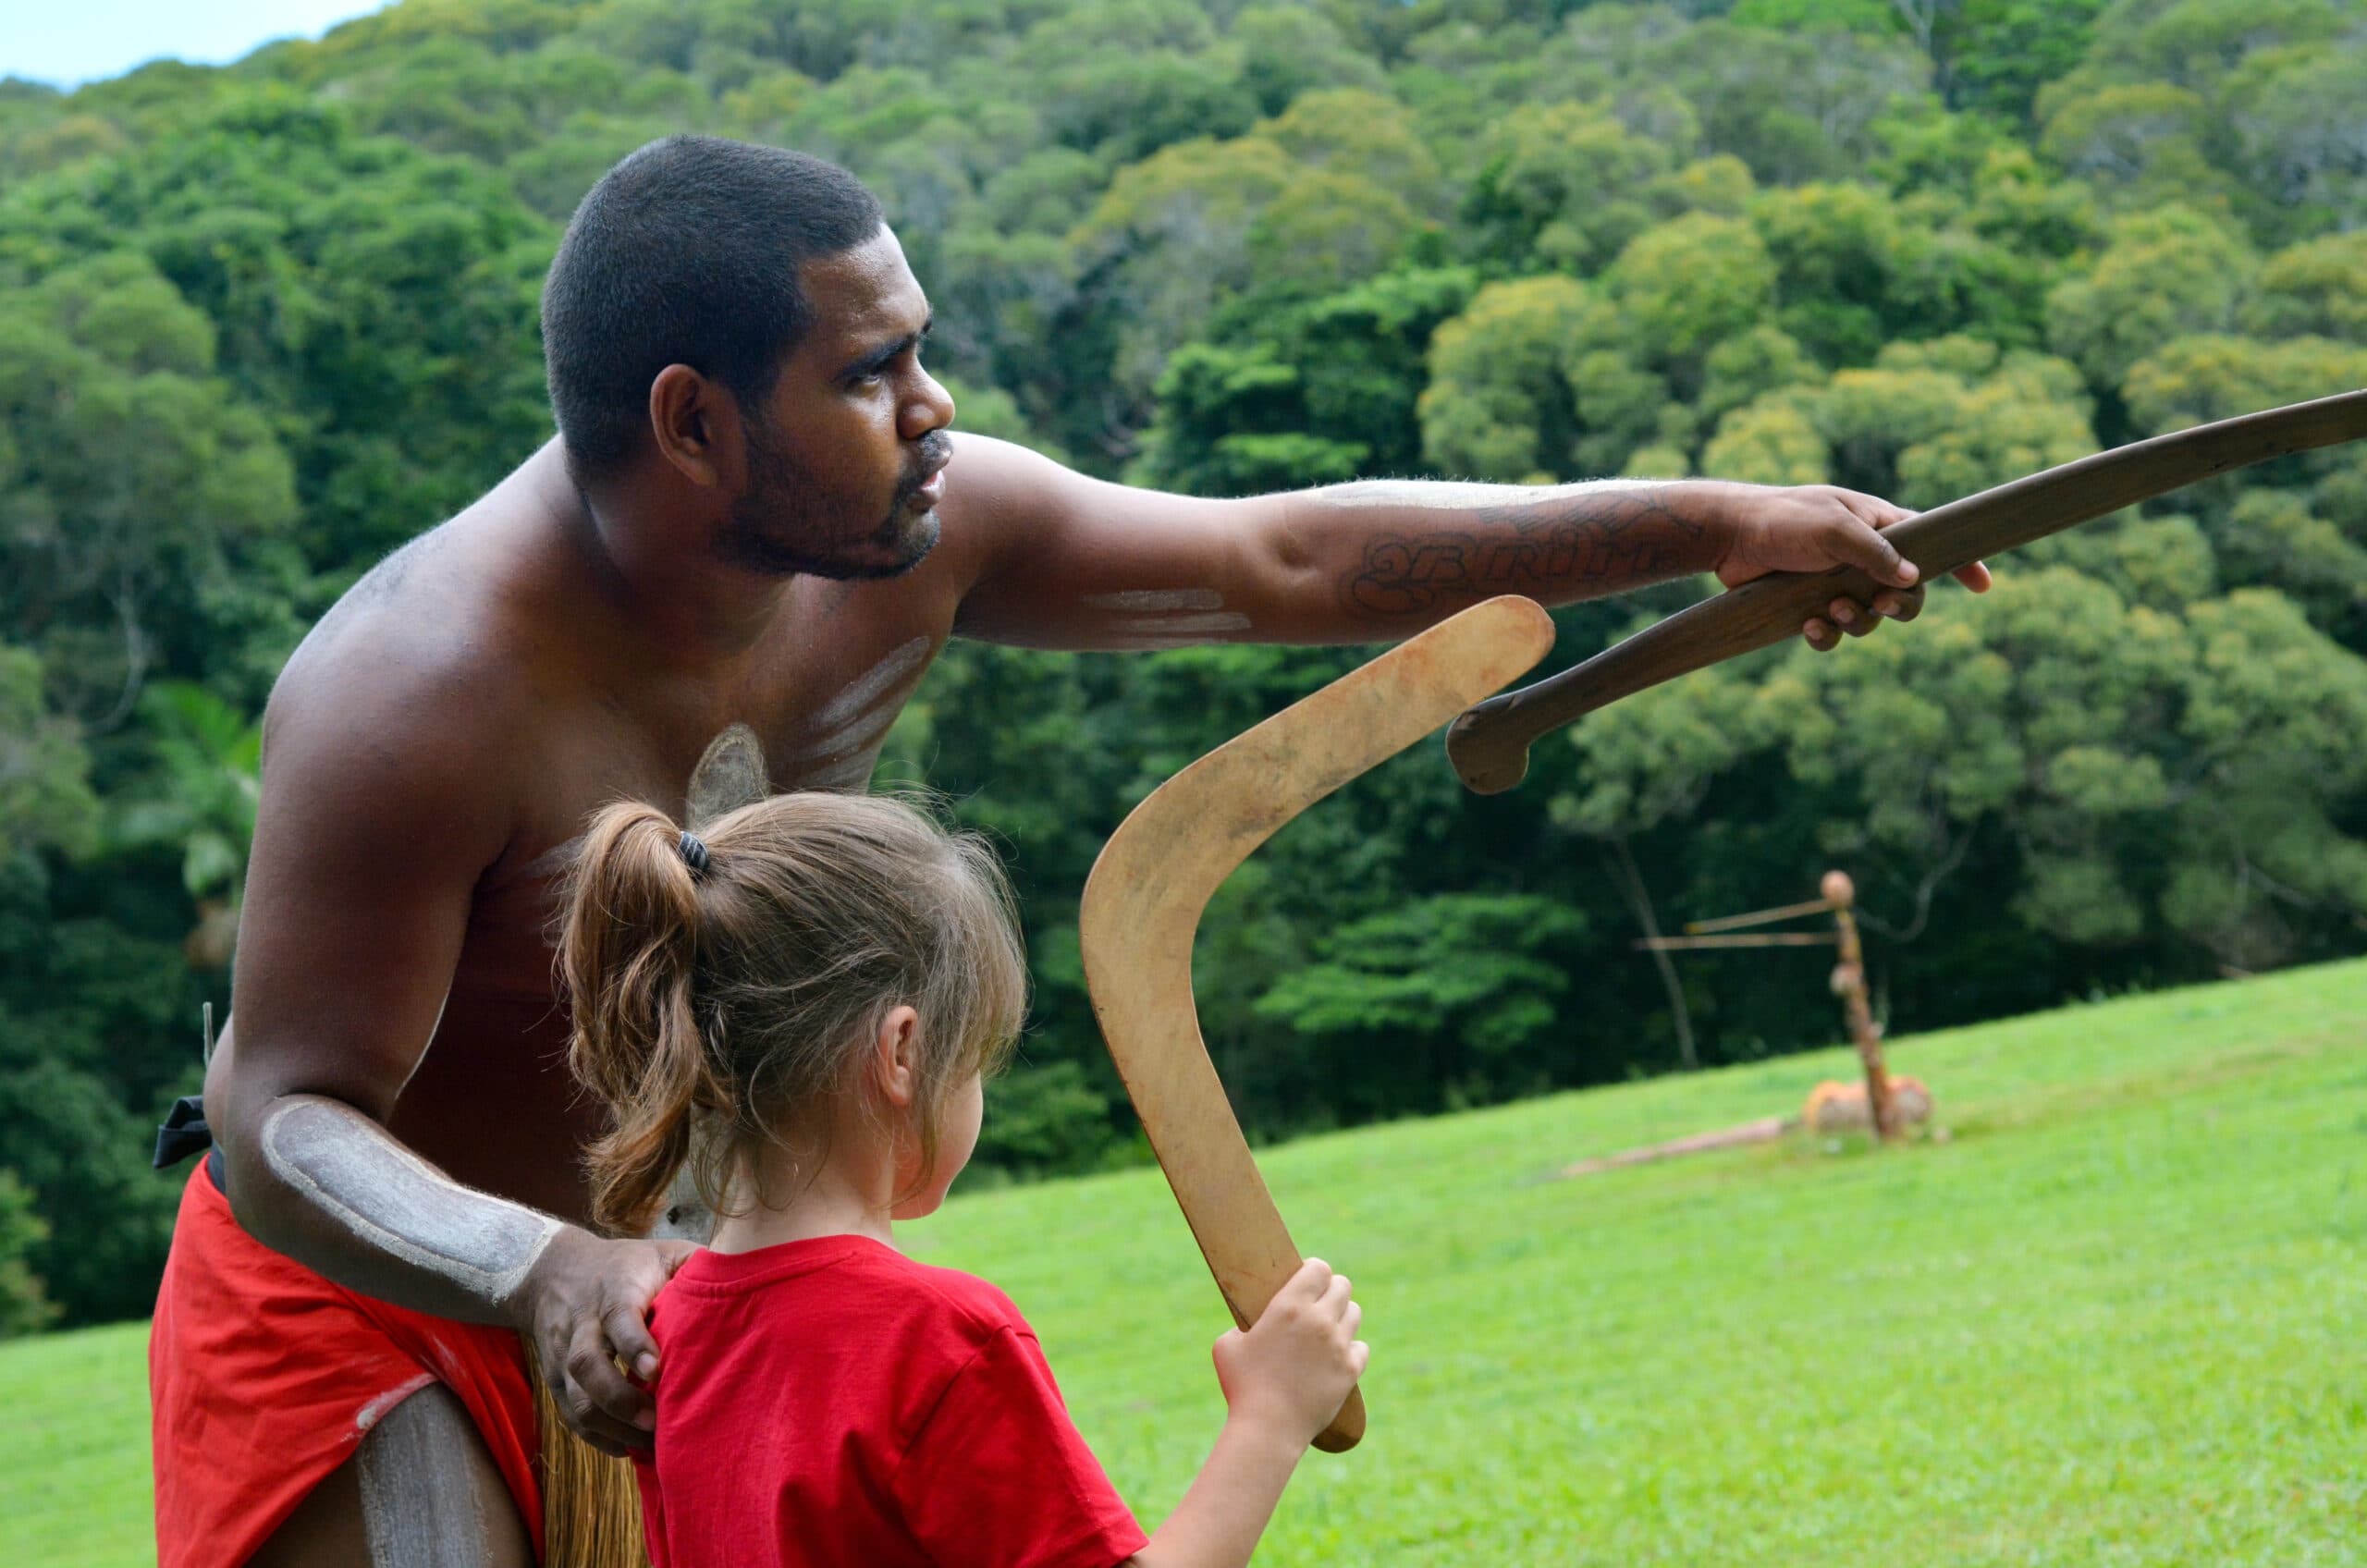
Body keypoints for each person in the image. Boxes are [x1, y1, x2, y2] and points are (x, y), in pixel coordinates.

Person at [152, 134, 1988, 1564]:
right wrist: (535, 1270)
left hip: (681, 1303)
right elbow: (285, 1107)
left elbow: (1282, 559)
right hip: (370, 1306)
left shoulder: (918, 537)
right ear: (693, 421)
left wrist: (1713, 524)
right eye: (873, 373)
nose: (934, 407)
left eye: (923, 352)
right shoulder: (414, 690)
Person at [558, 789, 1365, 1567]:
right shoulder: (938, 1339)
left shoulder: (664, 1336)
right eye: (977, 1059)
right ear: (903, 1052)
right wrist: (1272, 1414)